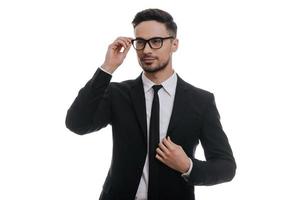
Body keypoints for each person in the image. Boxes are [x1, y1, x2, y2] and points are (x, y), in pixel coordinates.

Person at [65, 8, 236, 200]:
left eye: (156, 41)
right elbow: (77, 124)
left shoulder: (201, 101)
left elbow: (226, 167)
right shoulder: (118, 94)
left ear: (174, 44)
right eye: (140, 42)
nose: (146, 50)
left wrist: (187, 166)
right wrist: (108, 68)